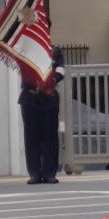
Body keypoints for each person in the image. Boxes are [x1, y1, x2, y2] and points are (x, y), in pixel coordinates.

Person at [18, 43, 66, 184]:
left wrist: (50, 82)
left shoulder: (55, 50)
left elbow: (61, 69)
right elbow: (23, 68)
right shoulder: (25, 49)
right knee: (31, 137)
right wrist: (37, 82)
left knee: (50, 137)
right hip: (30, 96)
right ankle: (35, 173)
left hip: (49, 96)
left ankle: (49, 173)